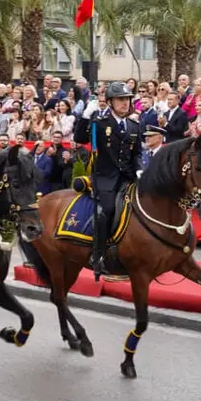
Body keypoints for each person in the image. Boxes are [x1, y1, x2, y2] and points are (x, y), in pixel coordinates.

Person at [73, 81, 141, 277]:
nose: (124, 103)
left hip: (128, 177)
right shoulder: (100, 123)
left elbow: (136, 154)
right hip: (105, 178)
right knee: (108, 210)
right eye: (120, 99)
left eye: (127, 99)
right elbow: (81, 139)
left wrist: (140, 170)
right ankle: (98, 254)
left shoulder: (134, 125)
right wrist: (86, 116)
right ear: (110, 102)